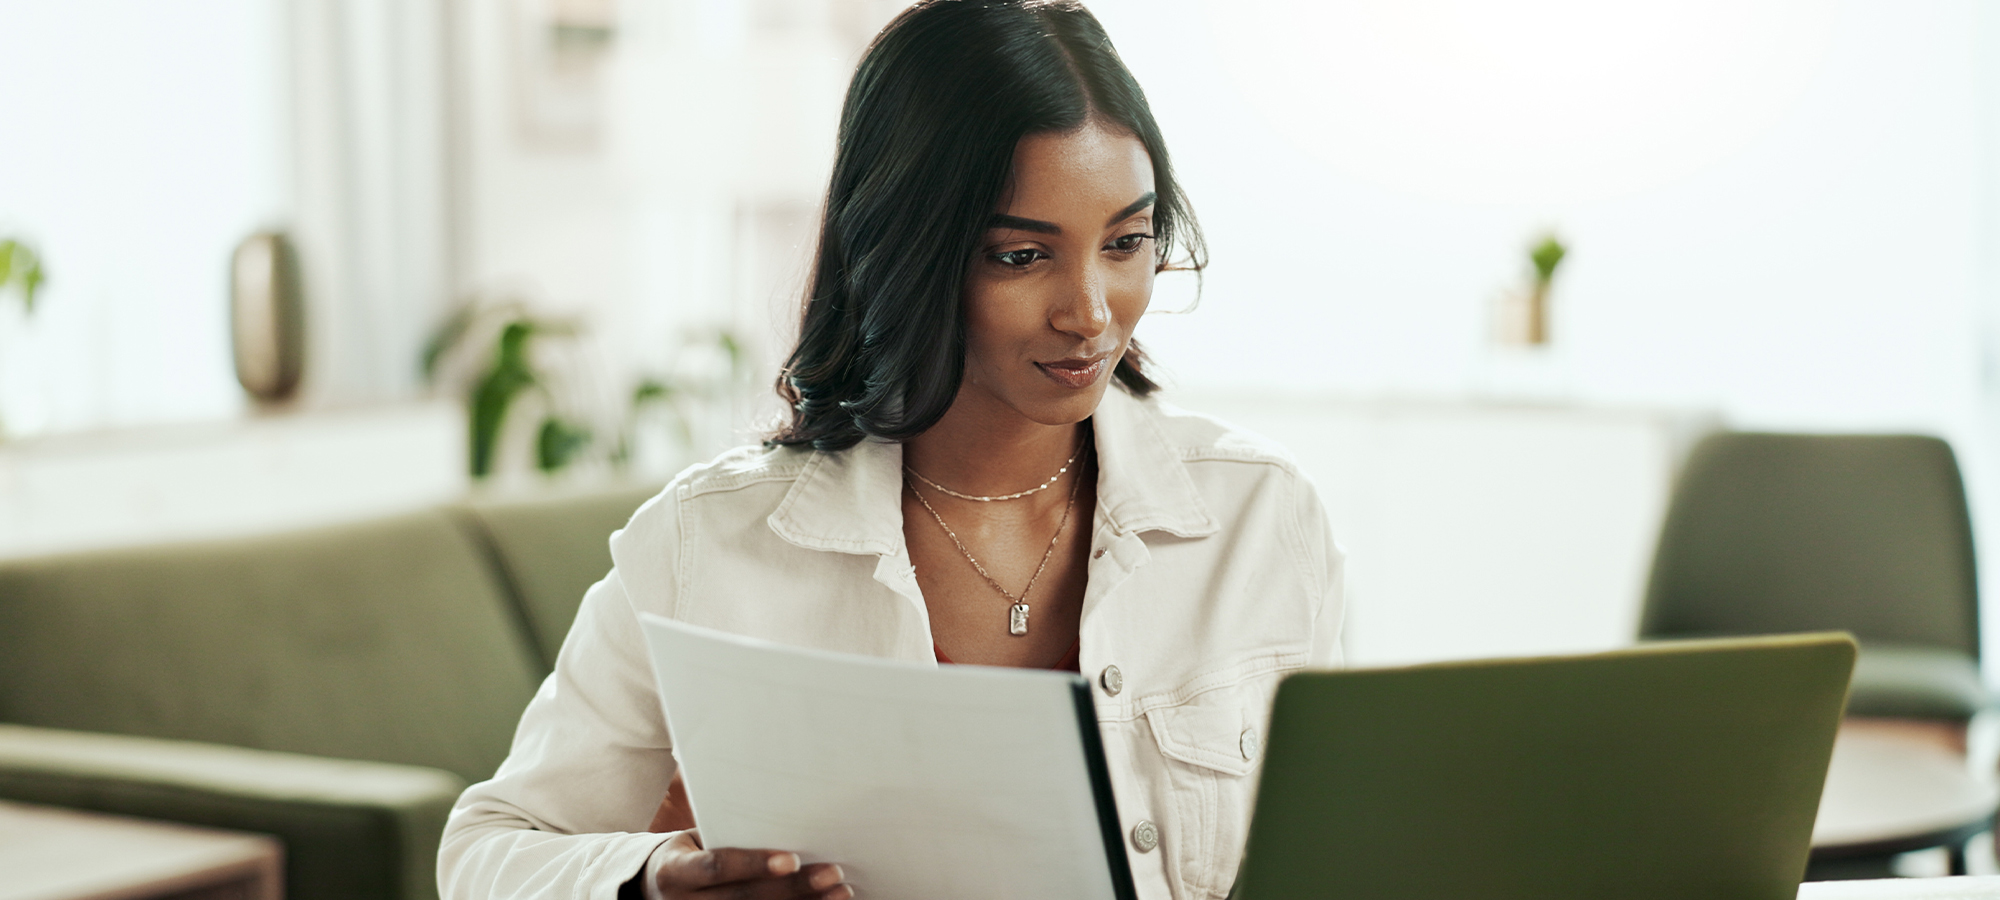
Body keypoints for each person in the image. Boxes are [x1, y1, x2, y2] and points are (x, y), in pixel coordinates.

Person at [437, 2, 1343, 898]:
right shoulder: (707, 543)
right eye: (1021, 257)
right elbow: (488, 851)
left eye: (1126, 242)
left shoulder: (1262, 518)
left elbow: (1341, 849)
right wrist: (653, 879)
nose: (1090, 312)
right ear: (906, 249)